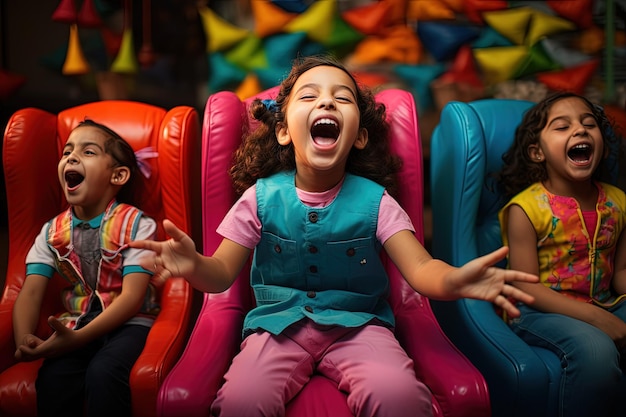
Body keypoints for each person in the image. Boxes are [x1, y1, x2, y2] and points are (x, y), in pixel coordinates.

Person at [132, 55, 537, 417]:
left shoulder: (376, 201)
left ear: (359, 136)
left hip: (360, 328)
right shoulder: (260, 197)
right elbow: (220, 274)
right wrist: (193, 266)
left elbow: (422, 269)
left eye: (342, 99)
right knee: (241, 400)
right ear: (283, 132)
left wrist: (456, 280)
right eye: (309, 97)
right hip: (275, 330)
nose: (326, 102)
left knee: (400, 397)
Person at [12, 119, 160, 417]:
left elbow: (132, 298)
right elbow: (29, 292)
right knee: (54, 380)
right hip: (76, 323)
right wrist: (25, 339)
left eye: (88, 152)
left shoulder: (136, 224)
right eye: (67, 151)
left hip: (128, 325)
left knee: (105, 373)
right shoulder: (51, 231)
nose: (72, 157)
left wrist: (81, 338)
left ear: (117, 175)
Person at [497, 91, 626, 417]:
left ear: (603, 145)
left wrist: (605, 310)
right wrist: (597, 319)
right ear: (537, 152)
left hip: (603, 301)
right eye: (562, 126)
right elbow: (525, 287)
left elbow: (620, 273)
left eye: (588, 124)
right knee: (596, 351)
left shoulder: (618, 202)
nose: (580, 131)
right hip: (538, 313)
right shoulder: (526, 208)